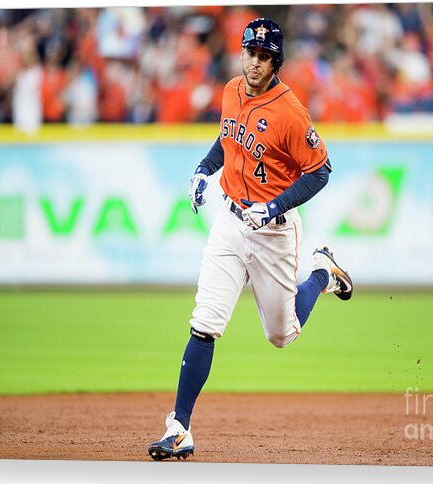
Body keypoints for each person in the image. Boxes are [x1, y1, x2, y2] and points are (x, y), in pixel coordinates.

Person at [148, 18, 353, 461]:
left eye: (263, 56)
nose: (254, 62)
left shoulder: (290, 112)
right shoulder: (230, 91)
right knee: (205, 321)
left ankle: (320, 273)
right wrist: (204, 168)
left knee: (281, 335)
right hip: (229, 221)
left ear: (275, 61)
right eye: (250, 52)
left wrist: (274, 206)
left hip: (273, 234)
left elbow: (321, 170)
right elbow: (227, 137)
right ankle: (179, 427)